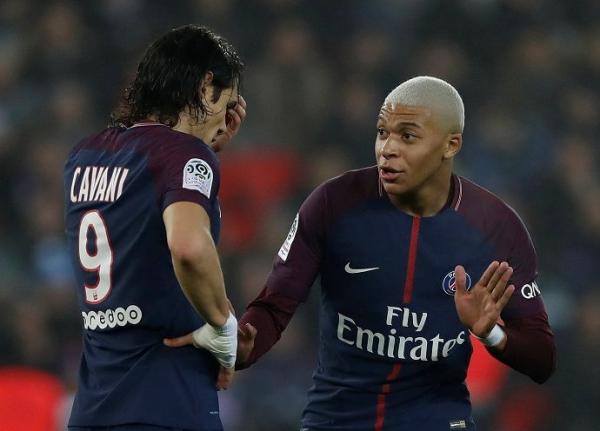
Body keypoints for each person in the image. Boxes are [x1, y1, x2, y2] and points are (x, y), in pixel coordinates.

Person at [234, 76, 556, 430]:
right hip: (339, 419)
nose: (387, 148)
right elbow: (275, 303)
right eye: (382, 132)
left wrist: (490, 333)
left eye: (408, 136)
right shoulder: (333, 204)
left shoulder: (496, 228)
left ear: (450, 144)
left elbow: (541, 359)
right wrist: (244, 345)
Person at [63, 25, 246, 431]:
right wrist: (223, 324)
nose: (225, 119)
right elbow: (188, 247)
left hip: (94, 405)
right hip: (167, 399)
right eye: (228, 102)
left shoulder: (84, 155)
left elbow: (139, 220)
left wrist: (200, 151)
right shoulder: (183, 155)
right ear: (206, 87)